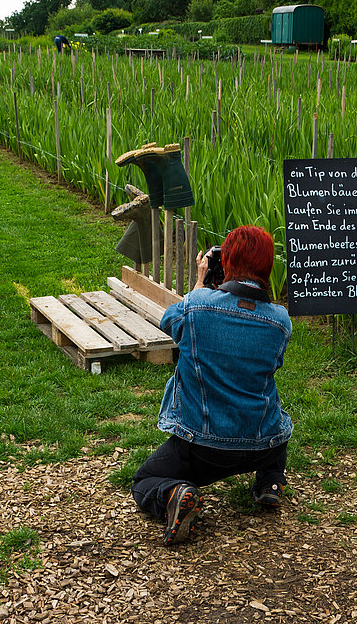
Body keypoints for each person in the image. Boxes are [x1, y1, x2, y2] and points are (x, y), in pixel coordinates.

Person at [131, 225, 293, 546]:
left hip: (205, 451)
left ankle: (176, 493)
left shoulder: (198, 305)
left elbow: (170, 322)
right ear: (267, 266)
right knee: (277, 418)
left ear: (227, 261)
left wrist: (200, 283)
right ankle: (270, 483)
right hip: (264, 445)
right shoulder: (280, 321)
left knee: (144, 481)